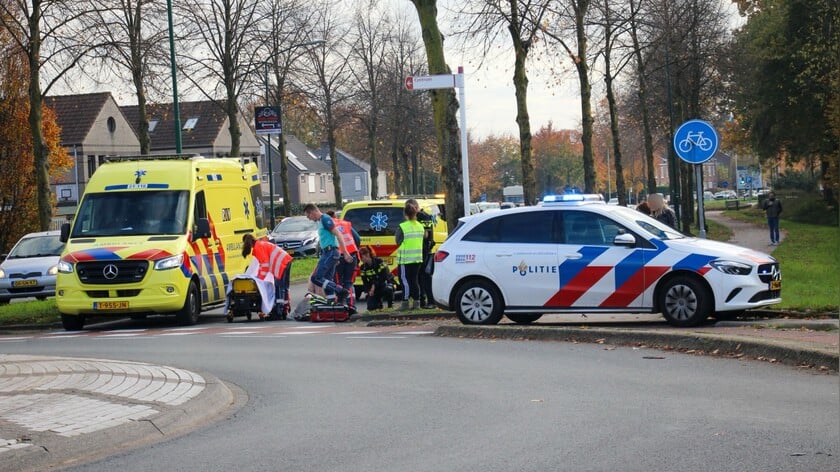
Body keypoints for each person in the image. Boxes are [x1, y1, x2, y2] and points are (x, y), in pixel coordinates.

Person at [304, 203, 351, 304]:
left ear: (312, 212)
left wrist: (345, 252)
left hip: (330, 252)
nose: (309, 219)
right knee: (327, 280)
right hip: (329, 253)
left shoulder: (325, 219)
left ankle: (341, 291)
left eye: (308, 216)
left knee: (316, 278)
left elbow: (338, 234)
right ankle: (332, 301)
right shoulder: (321, 221)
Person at [240, 233, 293, 320]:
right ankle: (284, 308)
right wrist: (260, 276)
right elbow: (263, 265)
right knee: (284, 287)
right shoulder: (261, 244)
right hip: (285, 259)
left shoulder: (258, 247)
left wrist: (259, 279)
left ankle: (278, 312)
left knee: (279, 287)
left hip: (281, 262)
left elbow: (265, 265)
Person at [327, 210, 361, 312]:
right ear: (335, 215)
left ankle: (340, 306)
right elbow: (357, 238)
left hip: (338, 257)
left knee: (337, 282)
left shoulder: (327, 225)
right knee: (348, 282)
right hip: (351, 255)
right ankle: (351, 306)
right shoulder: (345, 224)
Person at [394, 202, 425, 310]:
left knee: (404, 280)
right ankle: (417, 303)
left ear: (405, 214)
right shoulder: (420, 226)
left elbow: (398, 241)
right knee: (414, 280)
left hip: (405, 259)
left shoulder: (403, 227)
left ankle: (405, 302)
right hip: (417, 258)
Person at [406, 199, 436, 309]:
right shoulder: (416, 217)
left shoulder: (424, 216)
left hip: (425, 250)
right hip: (419, 250)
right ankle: (422, 300)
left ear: (415, 206)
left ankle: (431, 301)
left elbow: (426, 235)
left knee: (425, 276)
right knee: (419, 277)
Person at [358, 246, 395, 311]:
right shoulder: (363, 267)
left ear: (367, 254)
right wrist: (369, 291)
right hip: (374, 288)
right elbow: (365, 282)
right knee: (371, 307)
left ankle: (390, 305)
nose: (361, 259)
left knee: (388, 289)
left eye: (361, 257)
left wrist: (374, 285)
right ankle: (379, 304)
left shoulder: (379, 262)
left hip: (385, 283)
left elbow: (384, 276)